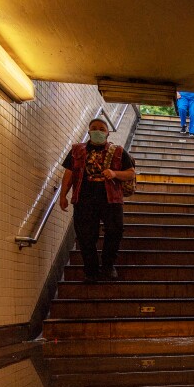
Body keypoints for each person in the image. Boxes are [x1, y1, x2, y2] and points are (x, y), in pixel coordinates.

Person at [59, 118, 136, 283]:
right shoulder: (76, 150)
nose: (98, 131)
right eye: (94, 128)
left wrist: (115, 174)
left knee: (115, 231)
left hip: (111, 198)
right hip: (84, 198)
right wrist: (62, 195)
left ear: (108, 132)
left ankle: (108, 266)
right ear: (88, 131)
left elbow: (130, 173)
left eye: (102, 128)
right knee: (86, 236)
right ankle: (91, 271)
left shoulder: (118, 151)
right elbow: (69, 173)